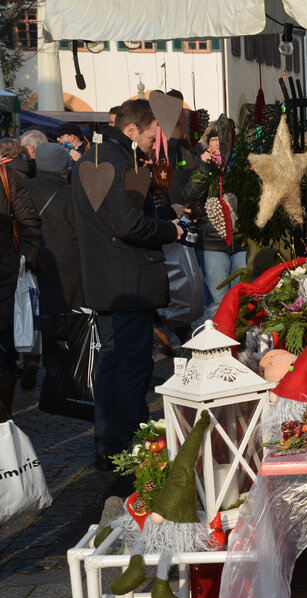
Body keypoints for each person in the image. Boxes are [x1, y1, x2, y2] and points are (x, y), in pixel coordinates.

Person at [72, 99, 184, 470]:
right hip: (128, 283)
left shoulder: (93, 158)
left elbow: (115, 217)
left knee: (113, 365)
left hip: (107, 281)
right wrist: (172, 230)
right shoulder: (118, 162)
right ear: (133, 130)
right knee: (130, 368)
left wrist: (165, 211)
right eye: (153, 137)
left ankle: (110, 447)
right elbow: (127, 226)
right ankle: (130, 451)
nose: (156, 144)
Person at [22, 143, 84, 392]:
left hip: (32, 260)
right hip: (67, 263)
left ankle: (32, 358)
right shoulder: (70, 193)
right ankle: (61, 369)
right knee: (67, 318)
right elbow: (81, 231)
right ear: (64, 166)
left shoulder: (23, 188)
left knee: (36, 314)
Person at [183, 123, 246, 321]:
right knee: (218, 300)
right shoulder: (199, 164)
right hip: (211, 244)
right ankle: (219, 344)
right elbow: (189, 194)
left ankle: (241, 344)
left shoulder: (240, 166)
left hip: (241, 242)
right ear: (206, 142)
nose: (218, 144)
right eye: (213, 139)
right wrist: (204, 166)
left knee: (242, 299)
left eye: (222, 139)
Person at [0, 133, 42, 420]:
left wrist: (23, 261)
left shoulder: (6, 177)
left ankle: (4, 418)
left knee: (3, 352)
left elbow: (29, 224)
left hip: (4, 276)